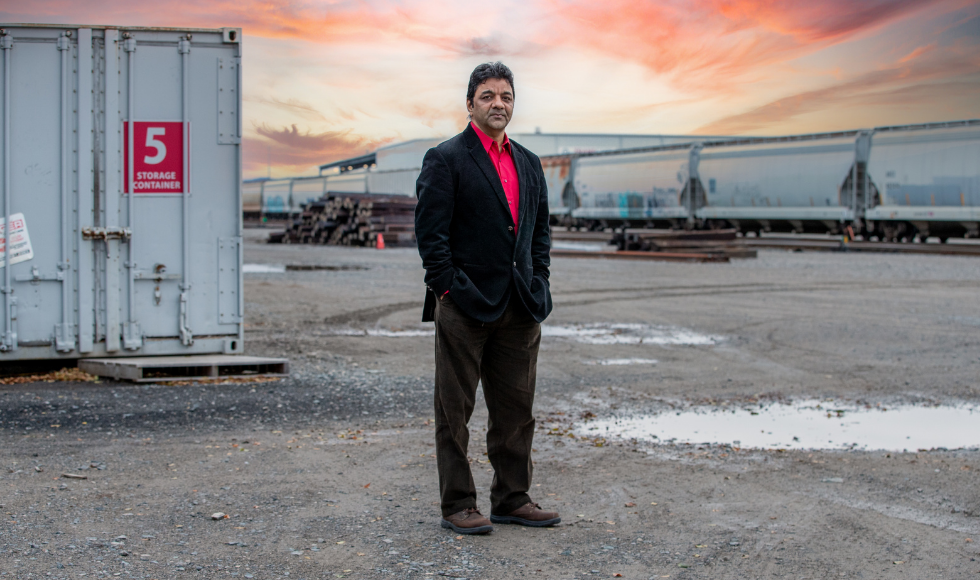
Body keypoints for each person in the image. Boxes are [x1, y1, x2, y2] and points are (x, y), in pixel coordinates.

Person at [414, 62, 557, 535]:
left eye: (507, 96)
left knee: (517, 410)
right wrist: (448, 288)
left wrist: (540, 282)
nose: (499, 103)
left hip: (520, 305)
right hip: (464, 305)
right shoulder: (447, 157)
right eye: (489, 95)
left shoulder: (530, 163)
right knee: (454, 412)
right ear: (471, 103)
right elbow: (431, 235)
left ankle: (512, 498)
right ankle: (458, 504)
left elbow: (539, 234)